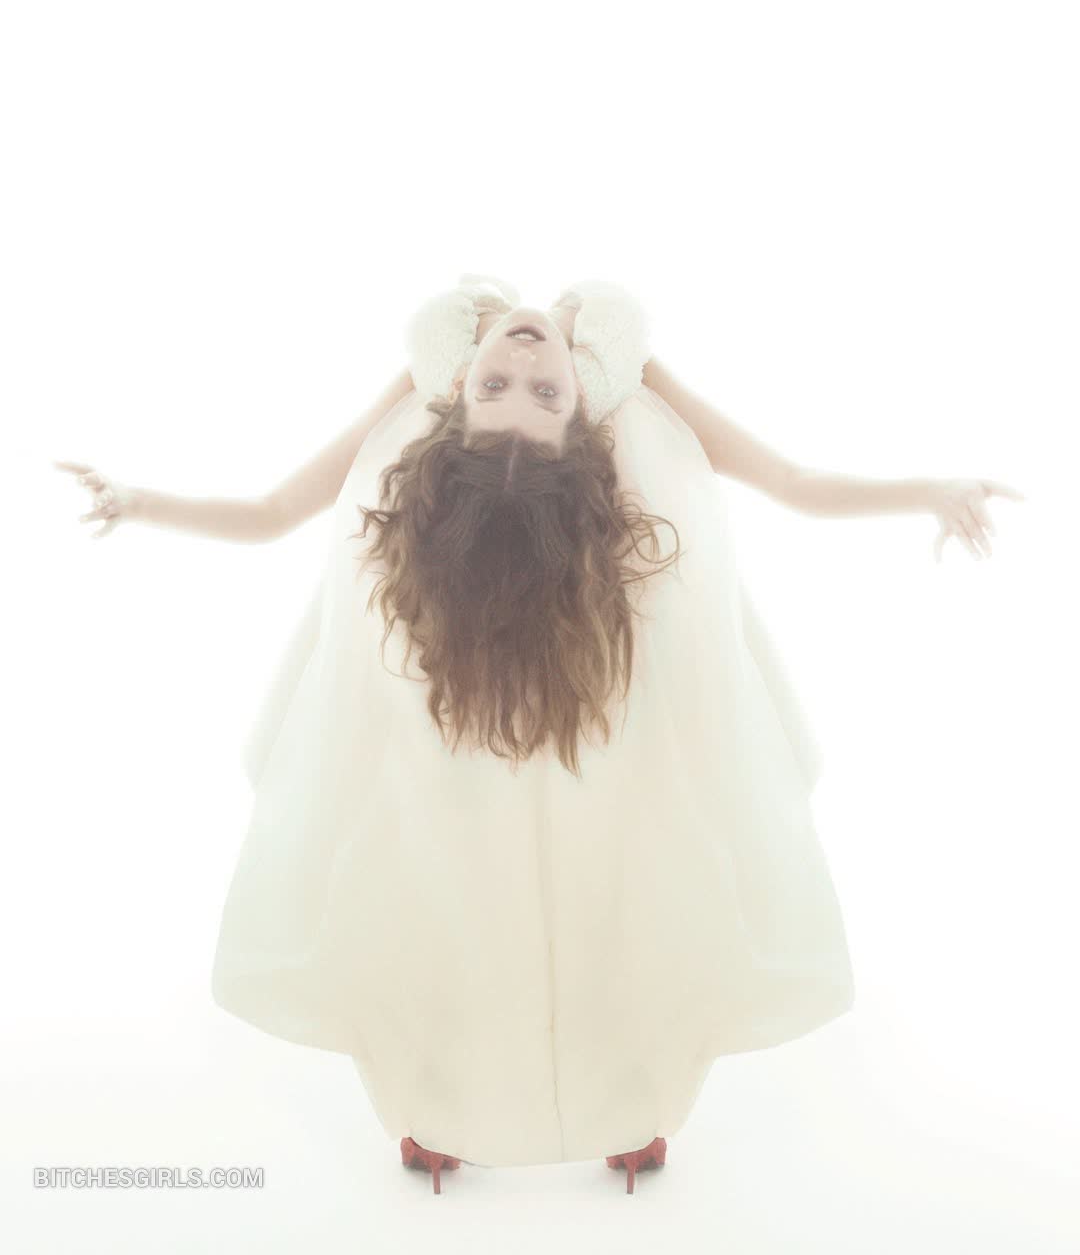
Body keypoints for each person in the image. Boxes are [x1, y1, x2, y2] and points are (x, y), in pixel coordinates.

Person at [54, 272, 1024, 1194]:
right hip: (461, 692)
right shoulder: (459, 371)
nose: (521, 360)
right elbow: (275, 510)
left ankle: (633, 1098)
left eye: (527, 387)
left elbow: (789, 476)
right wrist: (136, 502)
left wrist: (930, 490)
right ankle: (436, 1103)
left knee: (621, 881)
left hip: (605, 687)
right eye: (516, 386)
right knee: (449, 880)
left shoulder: (606, 371)